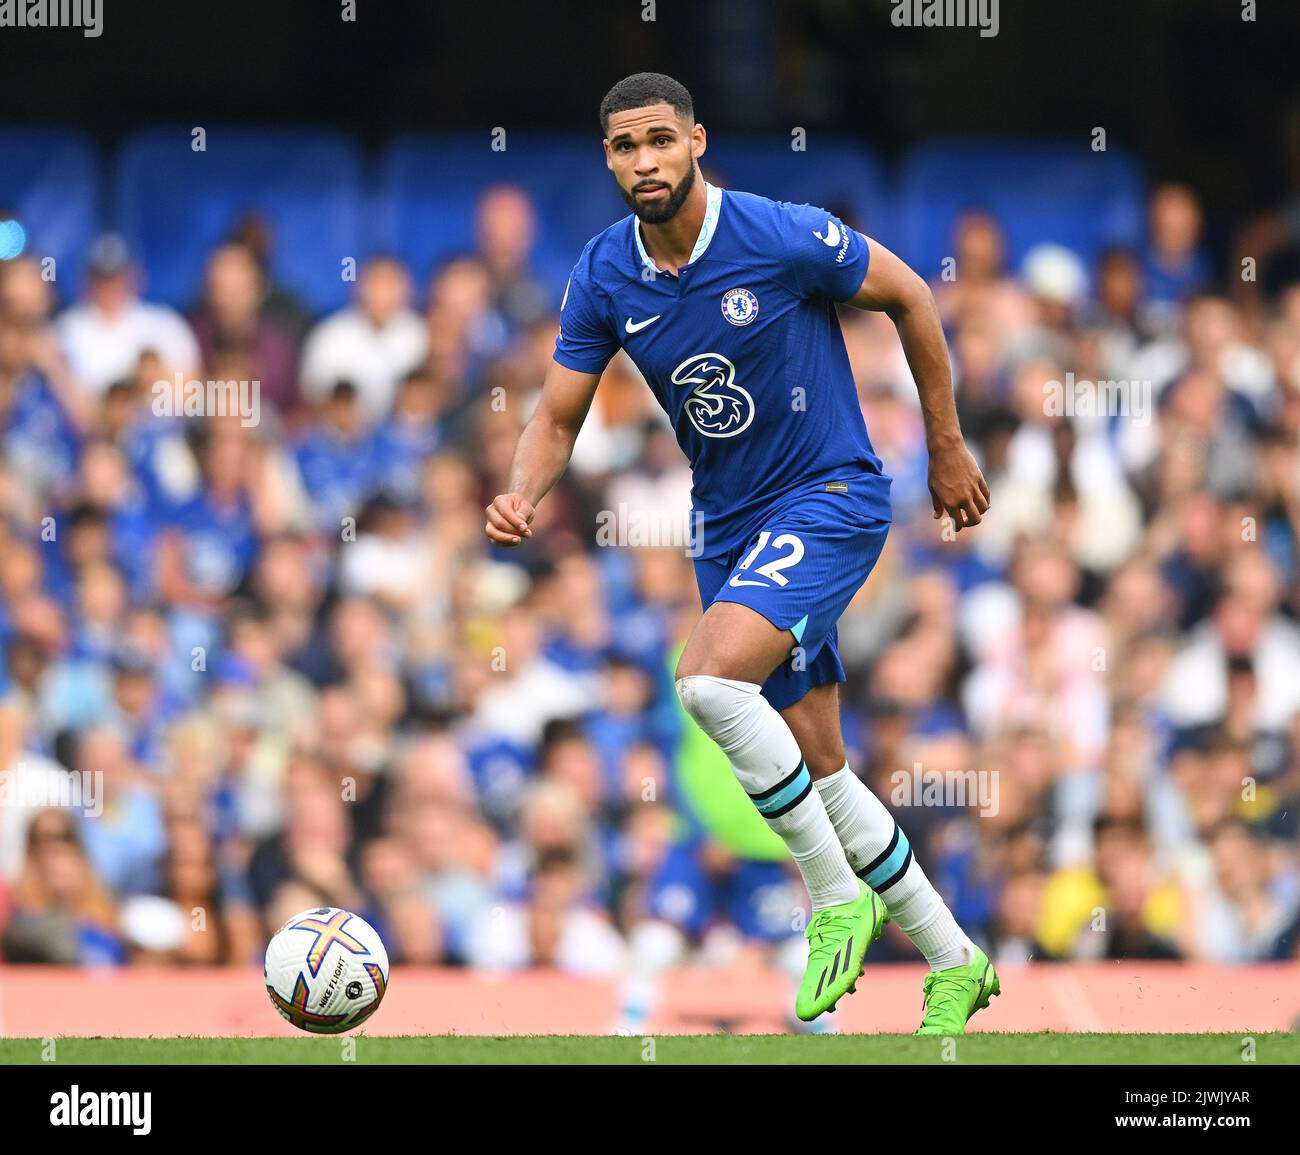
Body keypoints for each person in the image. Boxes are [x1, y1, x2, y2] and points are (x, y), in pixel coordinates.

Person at [484, 72, 997, 1030]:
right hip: (725, 529)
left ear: (697, 142)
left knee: (707, 681)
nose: (645, 161)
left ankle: (833, 900)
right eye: (626, 147)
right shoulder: (604, 273)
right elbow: (557, 417)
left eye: (660, 141)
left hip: (829, 495)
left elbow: (913, 298)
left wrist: (948, 445)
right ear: (609, 159)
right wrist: (521, 491)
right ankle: (955, 957)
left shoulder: (778, 233)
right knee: (825, 768)